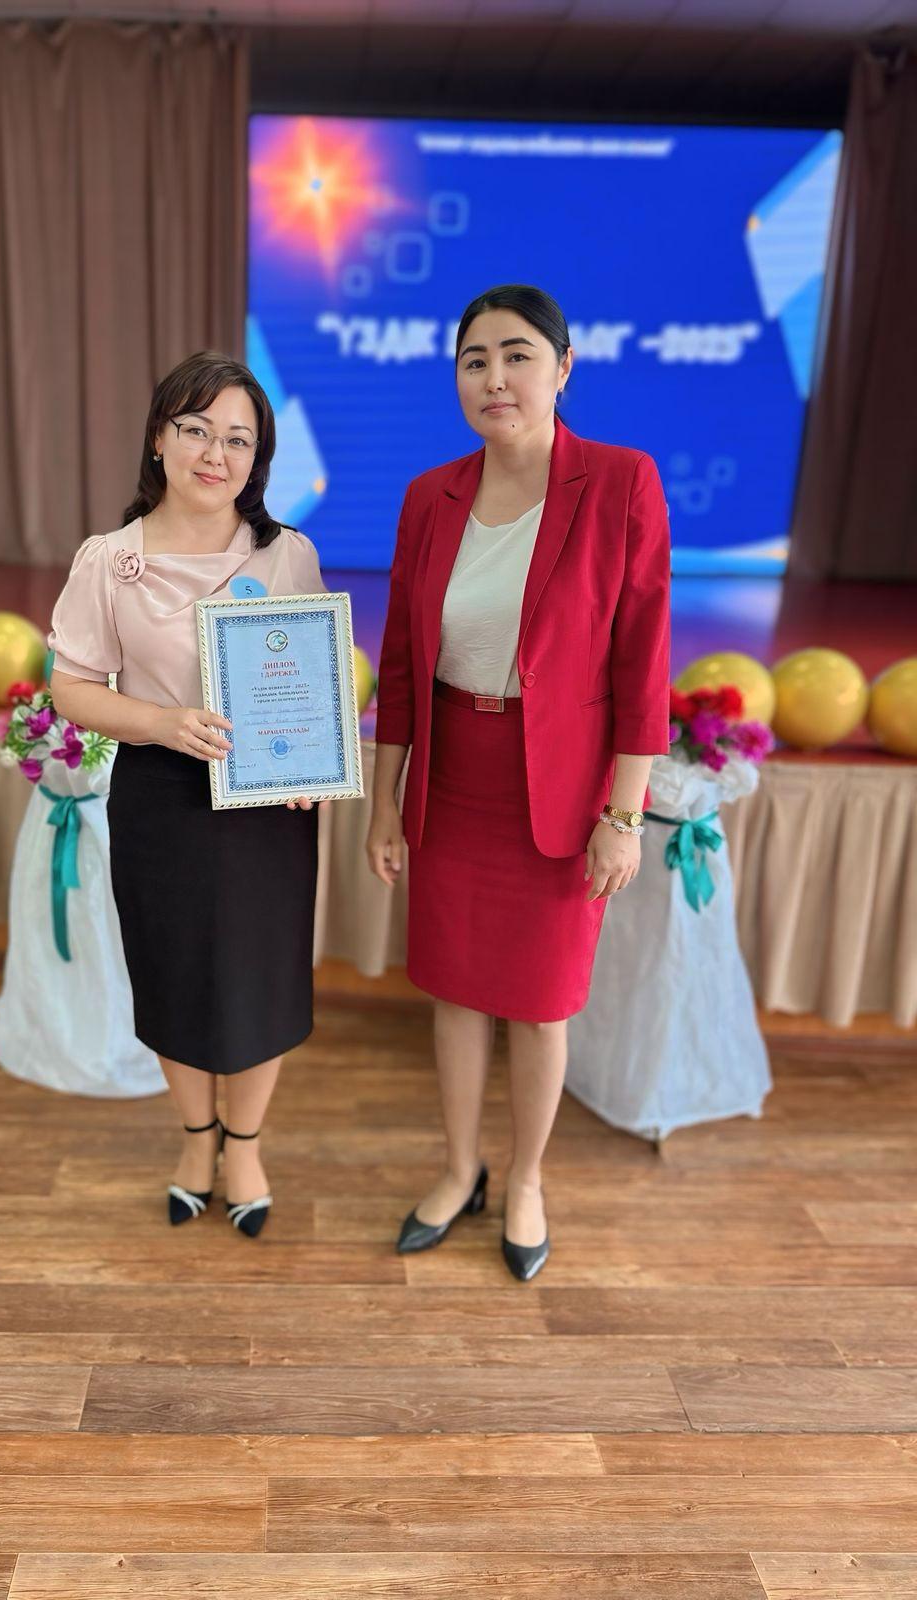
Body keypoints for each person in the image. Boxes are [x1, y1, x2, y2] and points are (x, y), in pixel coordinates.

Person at [366, 284, 671, 1282]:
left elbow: (643, 666)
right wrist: (384, 801)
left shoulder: (620, 482)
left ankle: (529, 1179)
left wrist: (624, 814)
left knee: (541, 1004)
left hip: (564, 792)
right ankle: (461, 1169)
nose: (494, 378)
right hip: (453, 775)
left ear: (563, 367)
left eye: (517, 355)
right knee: (455, 993)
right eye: (474, 360)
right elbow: (402, 666)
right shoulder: (430, 495)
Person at [48, 351, 325, 1237]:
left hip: (267, 802)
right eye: (197, 430)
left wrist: (307, 763)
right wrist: (161, 724)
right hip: (160, 794)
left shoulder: (286, 554)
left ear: (258, 459)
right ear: (160, 439)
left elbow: (307, 677)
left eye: (238, 439)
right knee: (173, 975)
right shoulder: (110, 560)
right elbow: (71, 687)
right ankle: (196, 1140)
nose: (216, 453)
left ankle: (245, 1145)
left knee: (260, 981)